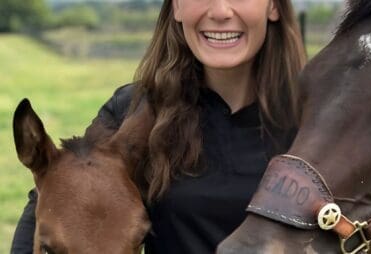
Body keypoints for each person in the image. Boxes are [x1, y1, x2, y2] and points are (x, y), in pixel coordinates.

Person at [11, 0, 306, 253]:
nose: (219, 11)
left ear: (274, 6)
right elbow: (56, 195)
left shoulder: (316, 115)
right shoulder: (135, 110)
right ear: (177, 6)